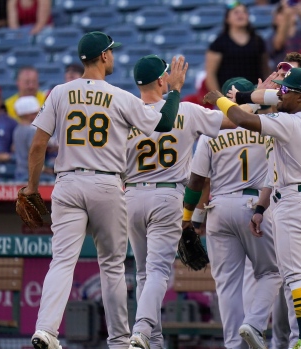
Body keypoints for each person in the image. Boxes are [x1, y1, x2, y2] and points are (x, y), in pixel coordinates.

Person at [25, 31, 188, 349]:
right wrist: (176, 91)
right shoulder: (120, 96)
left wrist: (32, 187)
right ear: (103, 56)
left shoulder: (60, 92)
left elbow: (38, 146)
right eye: (111, 52)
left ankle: (46, 329)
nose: (113, 56)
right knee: (112, 266)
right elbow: (165, 123)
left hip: (68, 181)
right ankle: (118, 341)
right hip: (106, 182)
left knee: (61, 261)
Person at [204, 67, 301, 349]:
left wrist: (220, 99)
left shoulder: (289, 122)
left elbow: (240, 117)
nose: (281, 94)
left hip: (292, 201)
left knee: (296, 276)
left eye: (287, 91)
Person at [124, 55, 234, 349]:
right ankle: (143, 330)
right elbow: (231, 122)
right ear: (162, 80)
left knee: (143, 272)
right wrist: (245, 102)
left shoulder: (125, 111)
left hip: (132, 194)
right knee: (158, 270)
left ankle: (152, 340)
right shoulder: (184, 109)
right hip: (168, 194)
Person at [184, 78, 282, 349]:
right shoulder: (265, 124)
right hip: (255, 206)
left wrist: (193, 219)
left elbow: (198, 180)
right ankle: (254, 324)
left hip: (219, 207)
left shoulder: (212, 130)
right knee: (271, 272)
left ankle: (233, 344)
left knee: (227, 284)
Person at [205, 1, 268, 92]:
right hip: (229, 97)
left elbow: (265, 69)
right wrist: (219, 99)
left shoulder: (258, 41)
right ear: (227, 19)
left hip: (255, 95)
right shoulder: (219, 43)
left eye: (244, 12)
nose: (240, 15)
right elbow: (211, 74)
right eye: (236, 12)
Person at [12, 95, 42, 181]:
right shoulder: (31, 131)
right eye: (36, 113)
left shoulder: (17, 129)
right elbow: (35, 151)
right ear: (29, 114)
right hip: (30, 174)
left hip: (19, 171)